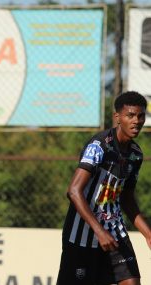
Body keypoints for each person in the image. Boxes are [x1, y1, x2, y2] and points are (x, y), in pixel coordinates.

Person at [57, 91, 151, 285]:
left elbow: (126, 199)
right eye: (130, 115)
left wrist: (148, 233)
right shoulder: (99, 145)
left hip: (114, 229)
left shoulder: (135, 154)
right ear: (118, 117)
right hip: (82, 233)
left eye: (141, 116)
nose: (137, 121)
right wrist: (99, 231)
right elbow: (74, 191)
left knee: (132, 281)